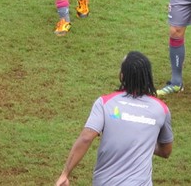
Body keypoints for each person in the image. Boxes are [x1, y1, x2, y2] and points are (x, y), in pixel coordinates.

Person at [55, 51, 173, 186]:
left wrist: (65, 173)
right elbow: (166, 151)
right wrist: (142, 142)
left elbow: (86, 138)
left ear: (122, 75)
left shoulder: (105, 103)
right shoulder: (161, 109)